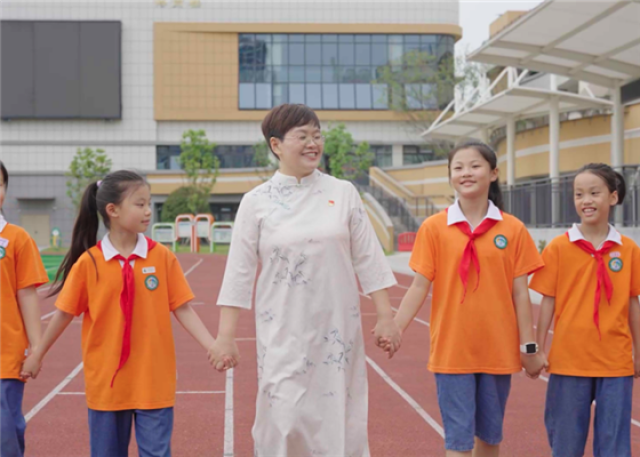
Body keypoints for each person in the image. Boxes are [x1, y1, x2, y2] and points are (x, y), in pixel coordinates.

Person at [210, 104, 401, 456]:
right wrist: (225, 337)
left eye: (317, 135)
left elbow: (368, 258)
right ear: (276, 144)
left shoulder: (342, 193)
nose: (313, 144)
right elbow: (238, 271)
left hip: (337, 329)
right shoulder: (256, 202)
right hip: (282, 329)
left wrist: (387, 316)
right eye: (302, 136)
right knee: (284, 417)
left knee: (336, 417)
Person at [21, 170, 218, 457]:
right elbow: (63, 314)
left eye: (149, 203)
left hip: (154, 381)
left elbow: (182, 307)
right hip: (107, 385)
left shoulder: (162, 257)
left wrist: (212, 346)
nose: (148, 211)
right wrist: (37, 354)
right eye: (140, 204)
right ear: (112, 210)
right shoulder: (89, 263)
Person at [390, 141, 545, 457]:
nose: (466, 173)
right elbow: (418, 287)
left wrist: (529, 349)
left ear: (493, 173)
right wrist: (396, 327)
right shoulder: (434, 228)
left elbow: (521, 294)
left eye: (475, 166)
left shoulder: (513, 229)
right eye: (458, 167)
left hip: (498, 351)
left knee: (489, 439)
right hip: (452, 351)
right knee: (458, 442)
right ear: (450, 175)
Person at [531, 163, 640, 457]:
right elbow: (547, 301)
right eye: (579, 194)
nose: (586, 200)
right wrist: (538, 349)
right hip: (569, 360)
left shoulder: (629, 250)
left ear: (613, 197)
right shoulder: (558, 248)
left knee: (614, 446)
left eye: (594, 193)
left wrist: (638, 353)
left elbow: (633, 303)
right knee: (565, 443)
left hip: (615, 362)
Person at [0, 160, 48, 457]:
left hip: (6, 356)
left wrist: (37, 349)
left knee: (6, 433)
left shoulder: (17, 239)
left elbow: (27, 296)